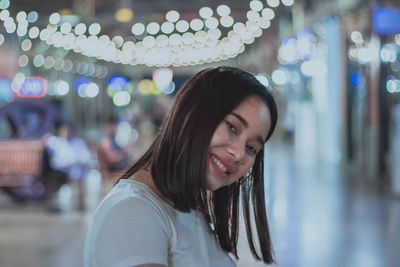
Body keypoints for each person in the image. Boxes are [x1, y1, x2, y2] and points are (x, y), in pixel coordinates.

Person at [84, 66, 278, 267]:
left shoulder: (186, 206)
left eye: (252, 148)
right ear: (191, 112)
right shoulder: (132, 212)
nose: (238, 153)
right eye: (231, 126)